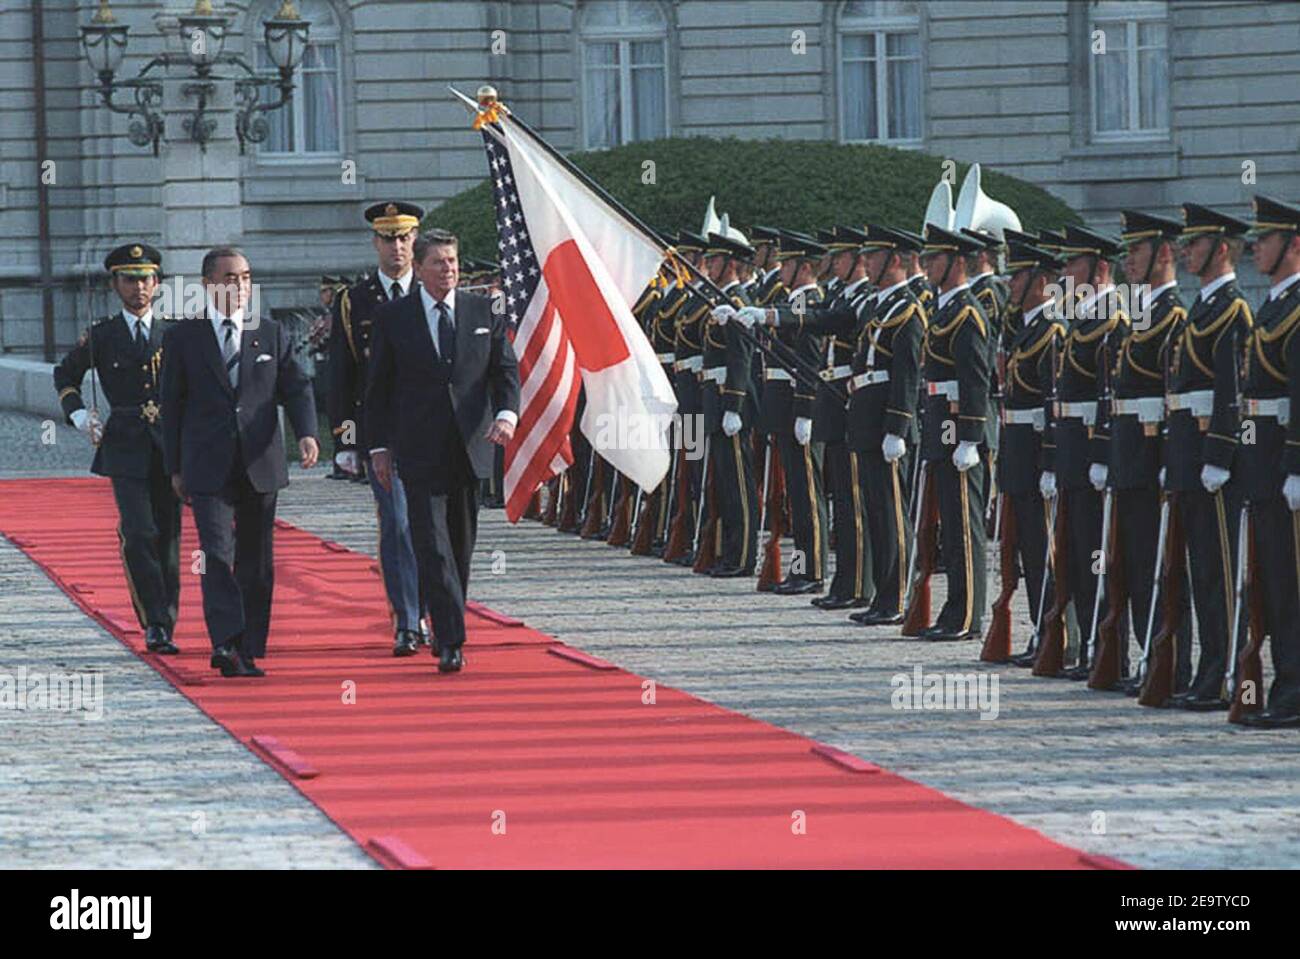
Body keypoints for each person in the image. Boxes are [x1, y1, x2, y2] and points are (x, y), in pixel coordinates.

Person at [365, 230, 520, 674]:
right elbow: (378, 388)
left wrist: (507, 414)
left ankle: (446, 618)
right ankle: (452, 638)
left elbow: (504, 370)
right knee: (430, 544)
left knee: (460, 546)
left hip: (471, 446)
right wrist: (377, 446)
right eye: (439, 262)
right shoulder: (395, 316)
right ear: (419, 267)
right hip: (417, 449)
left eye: (453, 261)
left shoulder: (481, 310)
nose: (448, 269)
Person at [161, 247, 318, 677]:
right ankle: (226, 642)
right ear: (209, 284)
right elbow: (171, 404)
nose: (240, 286)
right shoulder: (182, 337)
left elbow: (296, 386)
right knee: (216, 552)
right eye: (230, 278)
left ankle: (249, 642)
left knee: (256, 559)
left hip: (259, 461)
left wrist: (306, 432)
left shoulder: (269, 333)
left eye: (246, 277)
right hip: (207, 466)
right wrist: (173, 466)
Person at [54, 242, 181, 654]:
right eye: (129, 280)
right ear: (115, 285)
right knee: (139, 531)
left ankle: (169, 614)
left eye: (145, 279)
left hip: (170, 443)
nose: (139, 287)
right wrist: (78, 416)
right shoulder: (103, 336)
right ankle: (155, 621)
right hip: (125, 444)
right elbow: (66, 375)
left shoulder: (175, 333)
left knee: (169, 535)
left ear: (157, 283)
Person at [1164, 203, 1255, 710]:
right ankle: (1207, 668)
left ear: (1221, 249)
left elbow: (1232, 390)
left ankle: (1227, 673)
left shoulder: (1232, 311)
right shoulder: (1202, 307)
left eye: (1195, 244)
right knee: (1200, 573)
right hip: (1187, 453)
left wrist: (1221, 452)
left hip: (1214, 461)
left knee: (1221, 573)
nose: (1185, 251)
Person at [328, 201, 428, 655]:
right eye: (388, 238)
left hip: (434, 430)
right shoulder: (355, 301)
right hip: (383, 433)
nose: (398, 247)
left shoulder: (435, 288)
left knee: (438, 528)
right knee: (399, 524)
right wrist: (347, 440)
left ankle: (435, 609)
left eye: (405, 238)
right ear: (375, 243)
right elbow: (341, 375)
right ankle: (408, 619)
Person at [1234, 196, 1300, 728]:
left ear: (1294, 245)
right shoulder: (1273, 306)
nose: (1256, 246)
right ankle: (1285, 686)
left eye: (1268, 238)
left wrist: (1297, 466)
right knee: (1275, 583)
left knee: (1293, 583)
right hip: (1263, 467)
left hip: (1285, 467)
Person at [915, 224, 991, 641]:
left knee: (964, 522)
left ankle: (967, 615)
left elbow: (976, 379)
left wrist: (970, 437)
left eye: (935, 259)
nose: (927, 266)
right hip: (940, 418)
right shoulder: (943, 308)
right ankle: (953, 607)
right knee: (947, 518)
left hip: (957, 422)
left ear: (957, 263)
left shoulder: (967, 313)